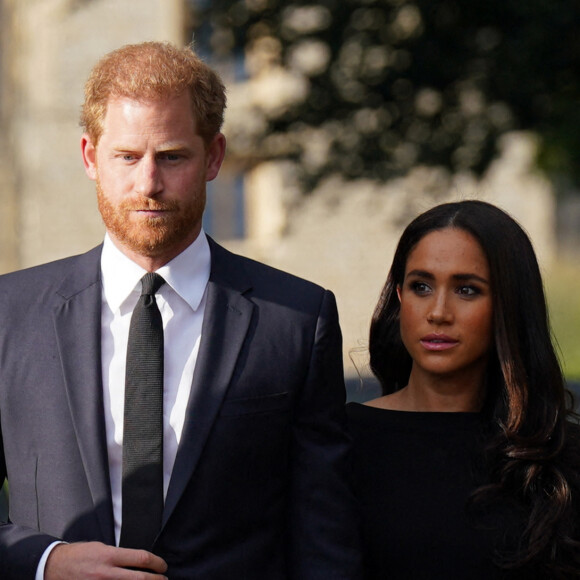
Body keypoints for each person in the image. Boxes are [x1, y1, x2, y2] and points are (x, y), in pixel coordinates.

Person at [0, 41, 361, 579]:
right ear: (89, 157)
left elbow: (322, 536)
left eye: (171, 156)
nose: (148, 183)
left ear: (214, 156)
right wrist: (47, 562)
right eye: (126, 156)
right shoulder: (10, 313)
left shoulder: (297, 319)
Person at [347, 200, 580, 579]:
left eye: (467, 290)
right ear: (400, 298)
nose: (438, 312)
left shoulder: (558, 455)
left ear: (508, 305)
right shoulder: (338, 443)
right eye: (421, 286)